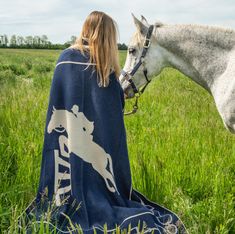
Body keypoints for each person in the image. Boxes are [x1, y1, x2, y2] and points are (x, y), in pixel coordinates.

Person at [21, 11, 187, 233]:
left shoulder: (64, 59)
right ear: (107, 36)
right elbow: (113, 111)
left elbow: (58, 102)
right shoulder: (105, 70)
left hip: (66, 145)